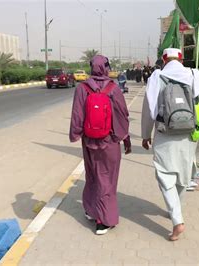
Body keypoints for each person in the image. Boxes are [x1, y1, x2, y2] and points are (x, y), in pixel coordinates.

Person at [141, 48, 199, 241]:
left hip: (165, 134)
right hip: (188, 135)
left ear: (164, 59)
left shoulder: (157, 76)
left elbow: (149, 109)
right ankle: (174, 210)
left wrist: (146, 134)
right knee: (183, 174)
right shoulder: (194, 74)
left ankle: (177, 221)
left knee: (164, 174)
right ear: (181, 59)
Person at [69, 55, 132, 235]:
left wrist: (75, 134)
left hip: (89, 141)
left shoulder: (82, 88)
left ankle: (90, 210)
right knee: (107, 179)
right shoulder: (114, 88)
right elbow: (122, 116)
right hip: (110, 141)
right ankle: (103, 221)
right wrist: (125, 139)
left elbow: (77, 115)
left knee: (93, 176)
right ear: (106, 68)